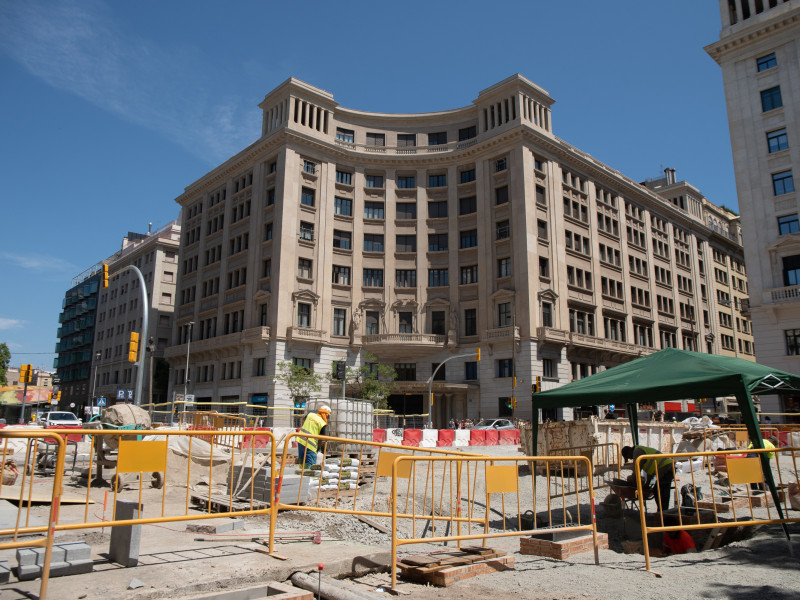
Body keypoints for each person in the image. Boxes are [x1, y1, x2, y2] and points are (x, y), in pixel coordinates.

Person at [621, 445, 674, 511]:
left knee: (661, 491)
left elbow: (636, 471)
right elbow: (650, 472)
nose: (631, 459)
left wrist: (635, 486)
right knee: (658, 491)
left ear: (629, 451)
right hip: (665, 467)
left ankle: (663, 514)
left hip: (666, 467)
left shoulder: (637, 452)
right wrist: (646, 484)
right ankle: (662, 512)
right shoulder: (639, 451)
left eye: (629, 457)